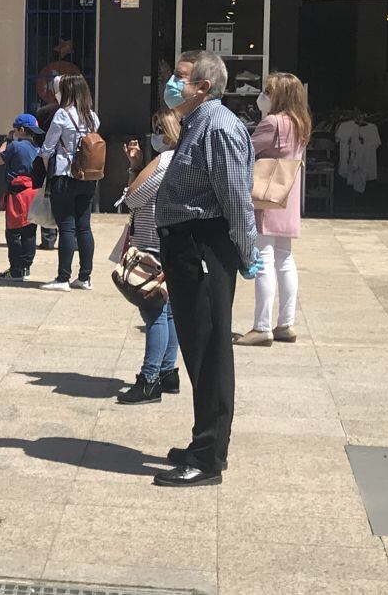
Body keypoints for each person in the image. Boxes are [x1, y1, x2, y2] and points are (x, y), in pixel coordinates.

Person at [153, 50, 262, 487]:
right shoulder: (197, 123)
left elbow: (235, 196)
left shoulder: (216, 125)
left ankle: (208, 457)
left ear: (204, 86)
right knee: (198, 346)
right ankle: (205, 439)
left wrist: (247, 247)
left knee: (211, 346)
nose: (174, 85)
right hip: (187, 244)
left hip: (203, 245)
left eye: (182, 78)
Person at [234, 72, 310, 347]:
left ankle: (262, 326)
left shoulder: (273, 123)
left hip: (266, 197)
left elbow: (246, 151)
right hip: (287, 199)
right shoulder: (300, 123)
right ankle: (285, 323)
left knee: (263, 259)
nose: (263, 95)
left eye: (268, 91)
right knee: (285, 259)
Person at [116, 110, 182, 405]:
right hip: (173, 241)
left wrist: (134, 169)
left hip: (152, 243)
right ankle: (168, 371)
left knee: (154, 312)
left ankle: (149, 379)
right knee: (168, 312)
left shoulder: (164, 161)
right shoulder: (185, 159)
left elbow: (132, 198)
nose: (155, 134)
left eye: (159, 128)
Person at [38, 74, 99, 291]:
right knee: (84, 227)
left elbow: (48, 147)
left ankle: (63, 278)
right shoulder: (92, 116)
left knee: (66, 226)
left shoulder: (62, 115)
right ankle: (85, 276)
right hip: (87, 177)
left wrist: (47, 169)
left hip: (65, 175)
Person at [0, 114, 45, 281]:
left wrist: (6, 141)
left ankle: (15, 269)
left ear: (21, 130)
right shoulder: (38, 149)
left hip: (17, 195)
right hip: (34, 193)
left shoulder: (14, 146)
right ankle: (26, 268)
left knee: (14, 233)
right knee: (30, 232)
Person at [33, 77, 60, 251]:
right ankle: (71, 240)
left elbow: (37, 136)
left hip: (46, 158)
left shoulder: (43, 112)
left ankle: (48, 240)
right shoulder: (79, 112)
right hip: (69, 163)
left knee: (48, 199)